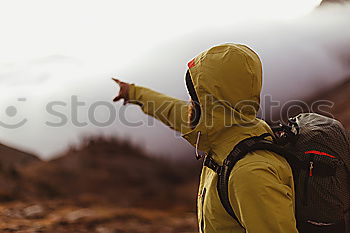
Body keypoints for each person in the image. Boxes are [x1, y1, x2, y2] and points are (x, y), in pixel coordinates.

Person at [112, 43, 299, 233]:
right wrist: (134, 93)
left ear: (210, 102)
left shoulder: (250, 174)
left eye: (194, 96)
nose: (189, 103)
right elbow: (173, 111)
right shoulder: (228, 131)